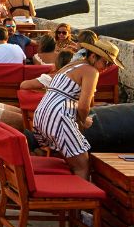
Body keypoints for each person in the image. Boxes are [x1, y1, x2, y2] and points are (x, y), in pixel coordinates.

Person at [32, 37, 121, 177]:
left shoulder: (71, 65)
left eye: (110, 64)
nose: (107, 67)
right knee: (82, 165)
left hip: (42, 113)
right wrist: (83, 121)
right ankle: (81, 196)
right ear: (93, 56)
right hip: (58, 117)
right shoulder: (91, 71)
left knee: (65, 157)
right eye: (106, 62)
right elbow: (84, 105)